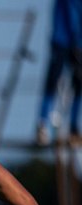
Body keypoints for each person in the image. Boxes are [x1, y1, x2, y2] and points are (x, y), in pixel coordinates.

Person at [36, 0, 82, 145]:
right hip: (64, 41)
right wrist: (77, 43)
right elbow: (72, 15)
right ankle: (44, 124)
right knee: (54, 82)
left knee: (76, 83)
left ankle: (71, 128)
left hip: (66, 41)